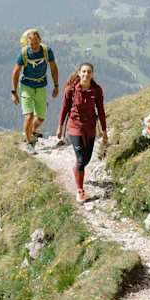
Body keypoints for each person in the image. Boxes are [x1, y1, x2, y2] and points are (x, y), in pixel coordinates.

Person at [56, 62, 107, 203]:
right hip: (75, 126)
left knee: (86, 160)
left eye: (89, 72)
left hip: (90, 127)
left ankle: (77, 169)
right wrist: (60, 127)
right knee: (80, 159)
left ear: (92, 74)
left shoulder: (96, 90)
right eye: (83, 71)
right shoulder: (71, 90)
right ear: (79, 73)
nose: (86, 74)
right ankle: (80, 190)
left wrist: (104, 131)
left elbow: (101, 111)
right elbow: (64, 109)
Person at [11, 29, 59, 150]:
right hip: (26, 86)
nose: (34, 46)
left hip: (41, 86)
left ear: (40, 41)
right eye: (31, 44)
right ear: (27, 43)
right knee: (29, 116)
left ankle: (30, 131)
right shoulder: (24, 53)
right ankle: (29, 143)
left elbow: (53, 68)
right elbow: (16, 72)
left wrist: (56, 86)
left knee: (41, 118)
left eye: (36, 43)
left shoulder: (47, 51)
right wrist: (14, 92)